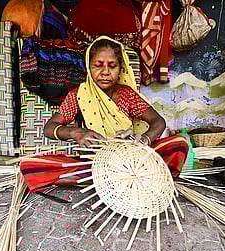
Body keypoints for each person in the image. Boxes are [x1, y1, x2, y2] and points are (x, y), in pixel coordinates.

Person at [21, 36, 189, 191]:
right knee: (31, 165)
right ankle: (118, 178)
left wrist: (144, 139)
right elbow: (49, 128)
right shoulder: (79, 95)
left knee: (178, 143)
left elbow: (158, 121)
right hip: (95, 162)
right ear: (88, 67)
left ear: (120, 68)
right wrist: (76, 132)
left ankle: (114, 179)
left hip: (132, 162)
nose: (105, 72)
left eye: (112, 66)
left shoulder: (127, 95)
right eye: (98, 65)